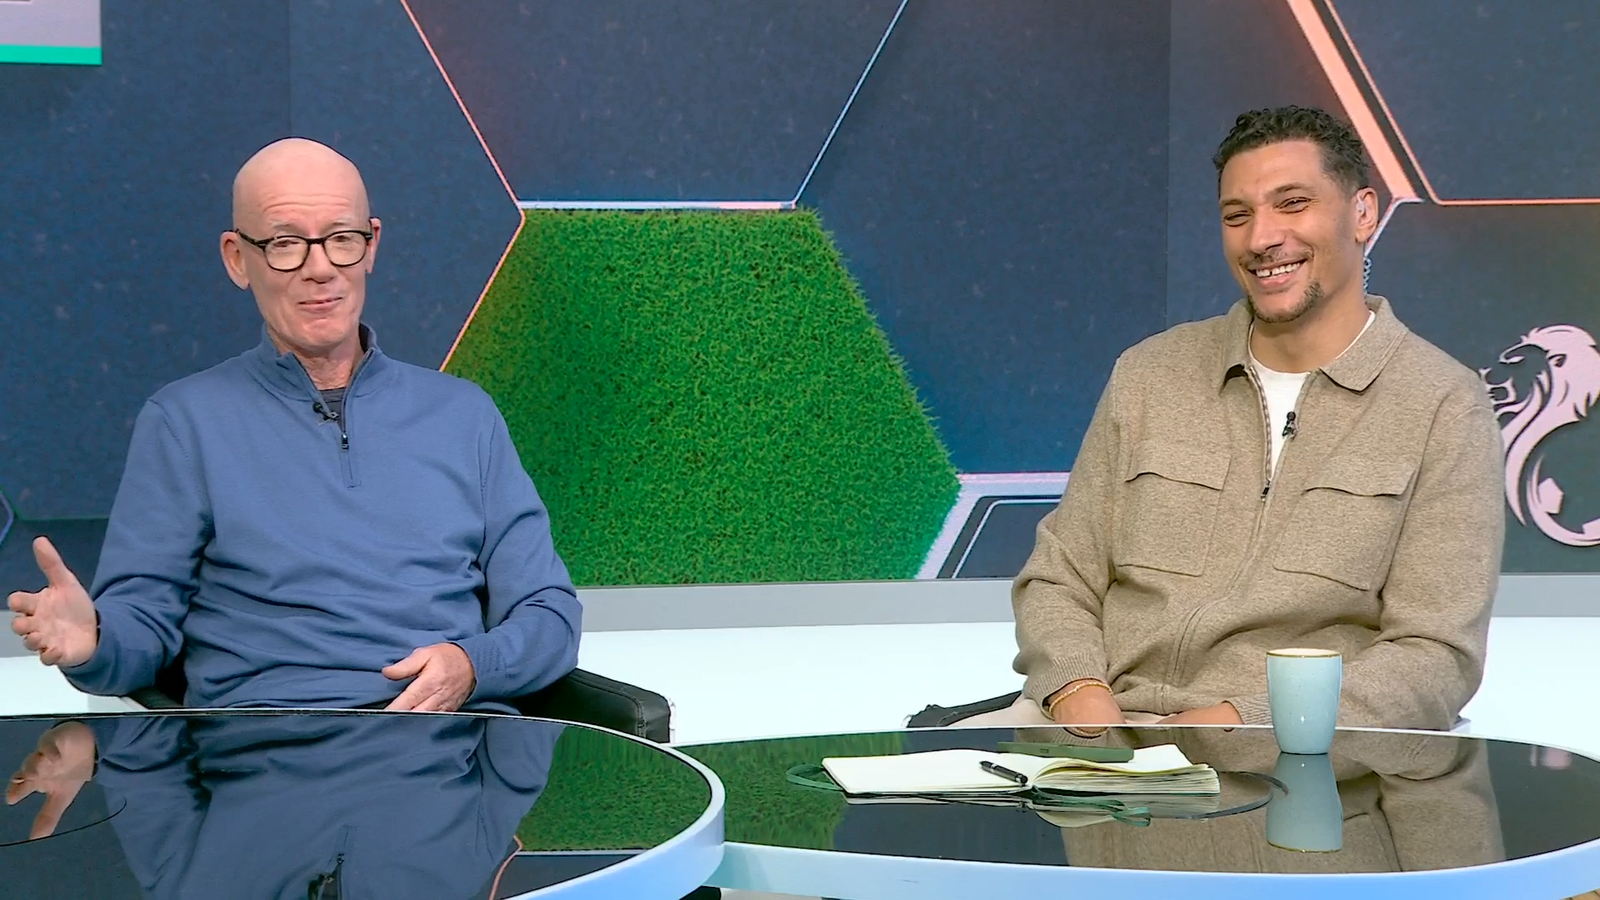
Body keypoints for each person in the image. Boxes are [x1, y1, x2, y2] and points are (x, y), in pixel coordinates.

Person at [7, 138, 580, 712]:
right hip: (267, 747)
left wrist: (473, 665)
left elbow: (548, 613)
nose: (320, 268)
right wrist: (94, 641)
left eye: (342, 239)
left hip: (447, 747)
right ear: (238, 258)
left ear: (372, 245)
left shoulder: (464, 416)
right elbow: (142, 629)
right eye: (285, 244)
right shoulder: (183, 423)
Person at [1004, 106, 1503, 733]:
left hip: (1295, 755)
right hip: (1104, 738)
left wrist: (1232, 726)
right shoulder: (1149, 373)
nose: (1261, 238)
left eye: (1292, 204)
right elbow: (1058, 578)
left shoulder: (1445, 406)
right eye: (1237, 215)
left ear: (1363, 214)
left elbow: (1434, 659)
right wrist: (1081, 696)